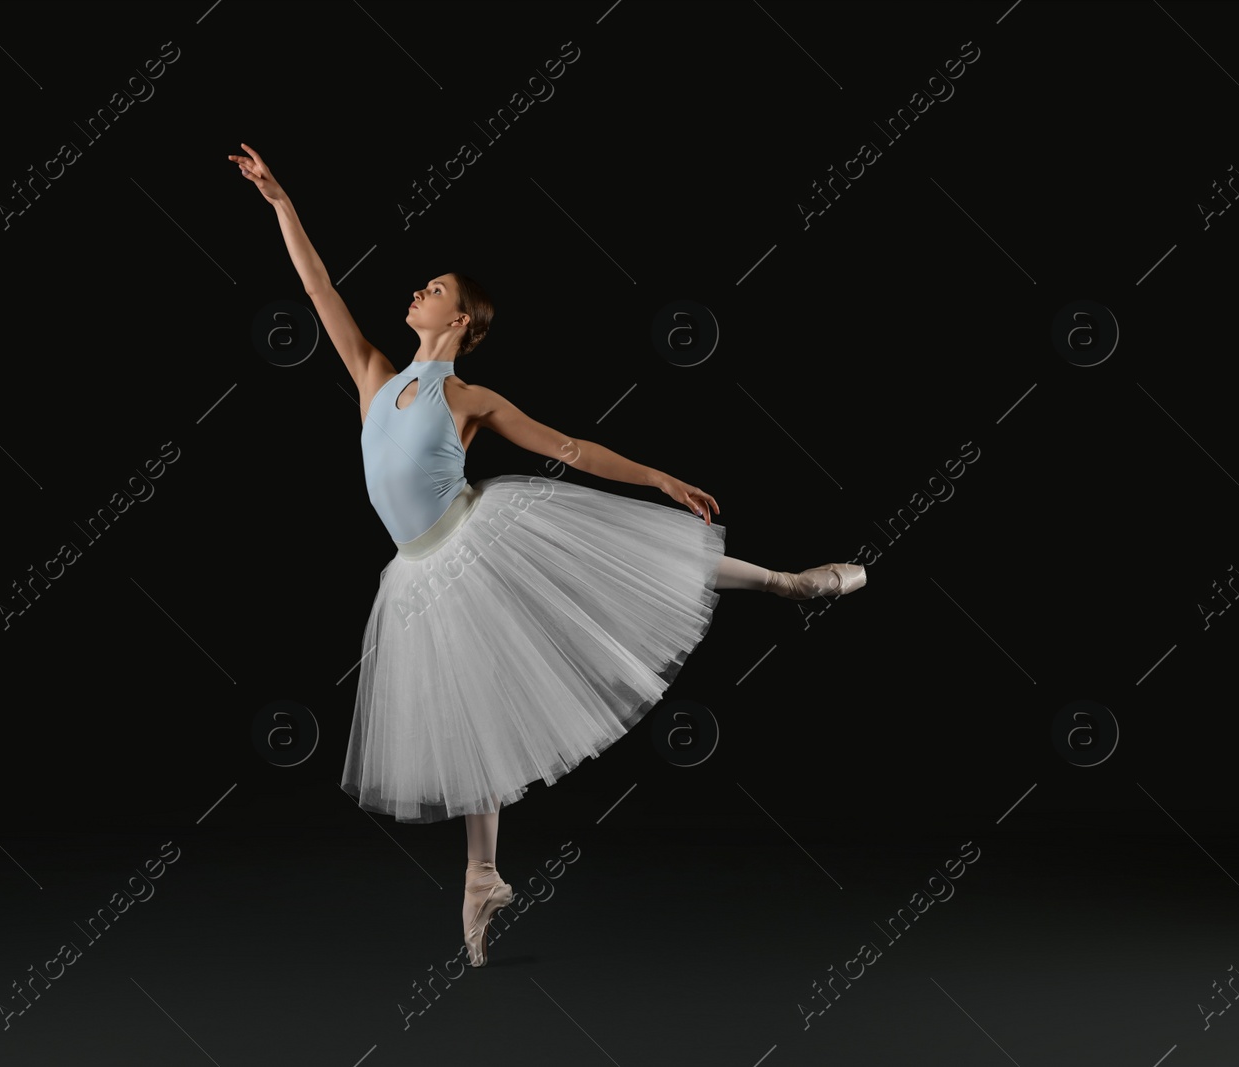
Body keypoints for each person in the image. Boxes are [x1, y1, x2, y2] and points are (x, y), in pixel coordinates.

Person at [229, 143, 866, 966]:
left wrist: (660, 477)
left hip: (478, 540)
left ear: (459, 320)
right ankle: (482, 875)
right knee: (472, 716)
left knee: (625, 564)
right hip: (418, 572)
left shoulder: (467, 397)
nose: (417, 290)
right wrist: (281, 201)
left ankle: (787, 581)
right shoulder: (372, 373)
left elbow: (569, 446)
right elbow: (317, 286)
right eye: (422, 285)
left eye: (436, 289)